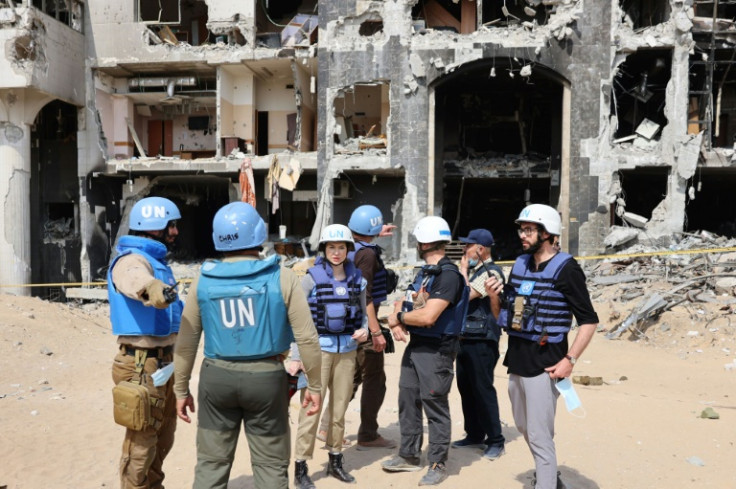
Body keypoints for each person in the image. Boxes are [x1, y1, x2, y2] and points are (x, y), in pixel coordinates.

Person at [173, 202, 322, 489]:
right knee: (270, 468)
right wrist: (314, 386)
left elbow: (187, 340)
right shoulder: (284, 276)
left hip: (216, 379)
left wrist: (181, 389)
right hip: (267, 379)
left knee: (211, 465)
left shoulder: (202, 280)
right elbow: (307, 338)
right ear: (258, 233)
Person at [484, 204, 599, 489]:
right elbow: (503, 316)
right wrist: (493, 296)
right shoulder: (520, 265)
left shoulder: (567, 270)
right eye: (521, 229)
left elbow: (589, 321)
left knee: (538, 433)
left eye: (529, 230)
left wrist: (570, 359)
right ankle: (550, 476)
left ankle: (546, 482)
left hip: (547, 361)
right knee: (524, 426)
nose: (522, 235)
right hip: (518, 358)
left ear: (547, 233)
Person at [382, 216, 469, 486]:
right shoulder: (425, 273)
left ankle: (437, 462)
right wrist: (398, 315)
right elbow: (402, 300)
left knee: (434, 404)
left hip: (437, 349)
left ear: (424, 242)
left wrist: (399, 320)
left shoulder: (448, 275)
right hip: (418, 346)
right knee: (407, 400)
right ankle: (408, 455)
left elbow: (429, 316)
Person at [108, 196, 183, 489]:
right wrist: (154, 289)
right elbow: (135, 280)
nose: (175, 232)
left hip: (163, 361)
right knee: (141, 442)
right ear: (154, 226)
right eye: (171, 226)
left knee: (163, 436)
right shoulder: (130, 261)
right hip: (139, 364)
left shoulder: (157, 263)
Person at [291, 224, 369, 487]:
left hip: (347, 353)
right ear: (324, 249)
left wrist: (365, 331)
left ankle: (336, 460)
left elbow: (363, 314)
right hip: (318, 354)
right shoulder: (310, 278)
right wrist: (296, 355)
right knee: (310, 410)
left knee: (338, 411)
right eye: (331, 247)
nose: (336, 252)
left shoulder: (358, 279)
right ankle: (301, 466)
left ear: (348, 249)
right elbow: (297, 319)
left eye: (341, 247)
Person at [452, 228, 506, 460]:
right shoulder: (477, 271)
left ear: (481, 249)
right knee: (467, 389)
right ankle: (474, 434)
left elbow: (466, 295)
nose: (464, 251)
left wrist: (462, 270)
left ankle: (495, 439)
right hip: (466, 339)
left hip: (482, 341)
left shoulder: (491, 272)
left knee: (483, 389)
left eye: (468, 246)